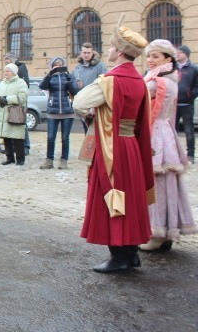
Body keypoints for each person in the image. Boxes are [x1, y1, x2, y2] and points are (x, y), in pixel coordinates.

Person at [72, 16, 153, 273]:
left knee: (112, 195)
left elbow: (79, 102)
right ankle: (130, 254)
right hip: (131, 147)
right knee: (130, 198)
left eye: (110, 46)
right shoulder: (139, 80)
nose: (107, 50)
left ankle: (119, 257)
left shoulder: (109, 80)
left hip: (111, 147)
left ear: (118, 51)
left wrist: (94, 113)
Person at [138, 40, 197, 252]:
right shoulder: (167, 78)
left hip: (157, 135)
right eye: (149, 55)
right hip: (165, 133)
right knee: (164, 184)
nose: (151, 60)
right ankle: (165, 231)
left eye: (156, 56)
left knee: (156, 185)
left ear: (168, 59)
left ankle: (158, 231)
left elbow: (136, 95)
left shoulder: (158, 82)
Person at [38, 57, 79, 170]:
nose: (58, 66)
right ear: (52, 66)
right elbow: (42, 86)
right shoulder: (50, 77)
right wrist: (49, 75)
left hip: (67, 111)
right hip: (53, 111)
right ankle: (49, 161)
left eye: (60, 64)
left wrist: (69, 77)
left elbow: (75, 91)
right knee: (51, 137)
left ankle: (64, 161)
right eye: (55, 65)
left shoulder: (69, 76)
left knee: (65, 138)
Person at [0, 63, 28, 166]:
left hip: (15, 112)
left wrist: (7, 99)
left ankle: (20, 159)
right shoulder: (2, 84)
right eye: (4, 71)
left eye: (8, 71)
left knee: (17, 137)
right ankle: (10, 158)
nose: (5, 73)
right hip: (4, 113)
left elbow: (22, 97)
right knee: (6, 137)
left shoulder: (21, 82)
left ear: (13, 72)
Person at [4, 52, 31, 156]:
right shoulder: (8, 70)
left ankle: (26, 146)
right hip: (9, 100)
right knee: (12, 124)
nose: (5, 61)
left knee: (21, 124)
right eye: (5, 59)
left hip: (19, 100)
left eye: (7, 58)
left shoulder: (21, 67)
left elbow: (26, 83)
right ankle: (15, 147)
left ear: (12, 59)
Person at [175, 45, 198, 164]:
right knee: (173, 130)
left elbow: (197, 86)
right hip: (174, 104)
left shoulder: (194, 68)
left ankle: (190, 155)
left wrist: (191, 95)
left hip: (187, 105)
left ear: (186, 54)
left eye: (180, 52)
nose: (177, 54)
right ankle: (175, 155)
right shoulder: (173, 67)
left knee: (189, 131)